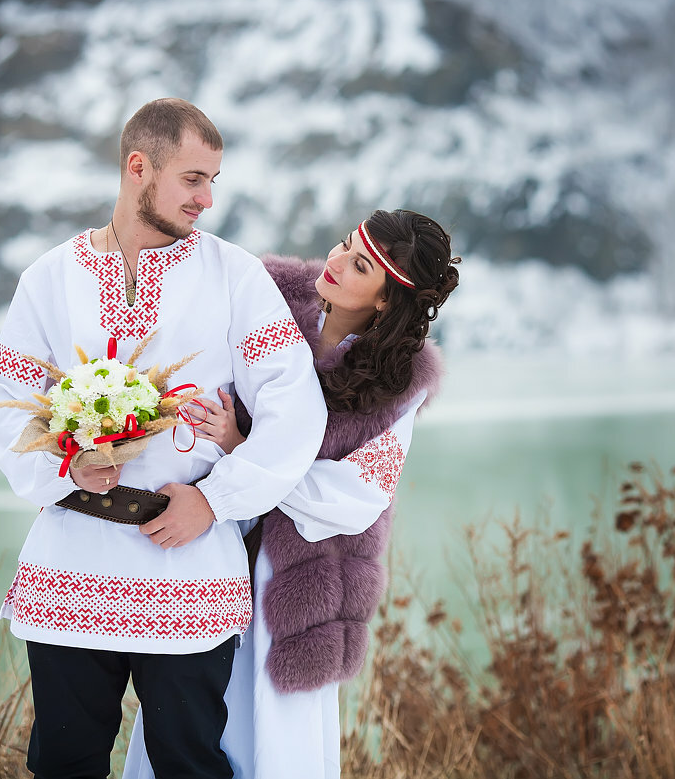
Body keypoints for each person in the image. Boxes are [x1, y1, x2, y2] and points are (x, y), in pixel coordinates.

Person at [0, 98, 327, 779]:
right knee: (63, 763)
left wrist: (217, 500)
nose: (207, 198)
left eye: (213, 181)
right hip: (71, 560)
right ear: (140, 167)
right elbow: (3, 395)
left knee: (189, 764)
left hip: (186, 561)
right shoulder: (50, 277)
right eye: (193, 179)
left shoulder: (236, 277)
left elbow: (295, 410)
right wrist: (66, 467)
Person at [122, 209, 461, 778]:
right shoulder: (269, 295)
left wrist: (243, 447)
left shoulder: (397, 382)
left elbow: (354, 496)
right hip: (211, 547)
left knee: (275, 741)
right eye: (345, 245)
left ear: (385, 301)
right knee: (180, 723)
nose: (333, 262)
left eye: (359, 266)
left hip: (301, 581)